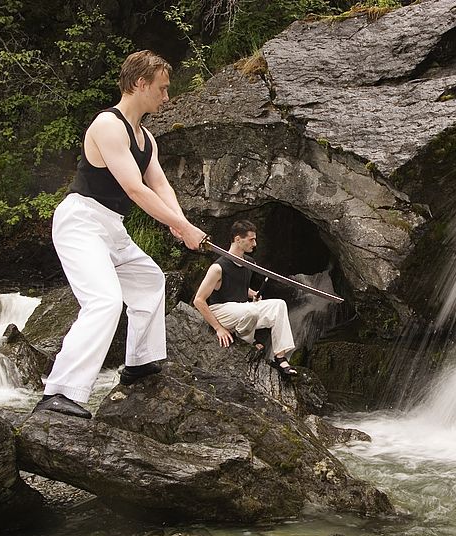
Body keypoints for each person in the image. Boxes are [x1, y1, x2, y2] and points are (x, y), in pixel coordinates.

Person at [33, 50, 207, 419]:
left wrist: (180, 221)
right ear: (140, 84)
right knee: (105, 301)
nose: (166, 97)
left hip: (111, 226)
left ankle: (138, 364)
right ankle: (58, 392)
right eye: (161, 89)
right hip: (80, 221)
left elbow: (158, 184)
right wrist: (181, 226)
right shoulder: (108, 125)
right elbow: (135, 189)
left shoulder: (146, 139)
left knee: (149, 280)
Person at [192, 220, 298, 376]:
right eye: (251, 239)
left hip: (242, 311)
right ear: (237, 239)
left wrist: (253, 294)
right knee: (250, 311)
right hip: (221, 311)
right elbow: (199, 300)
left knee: (279, 305)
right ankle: (246, 341)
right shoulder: (218, 268)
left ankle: (280, 358)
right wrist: (218, 329)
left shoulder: (249, 264)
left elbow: (236, 283)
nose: (254, 244)